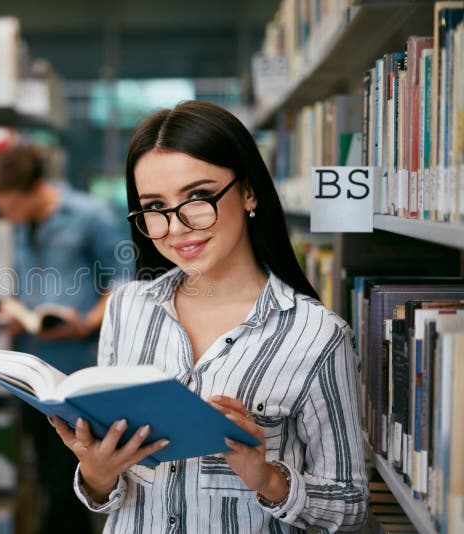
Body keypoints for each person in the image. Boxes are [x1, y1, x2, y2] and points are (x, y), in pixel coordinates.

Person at [49, 101, 369, 533]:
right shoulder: (127, 309)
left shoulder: (317, 336)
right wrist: (97, 474)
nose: (176, 227)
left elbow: (351, 506)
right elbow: (111, 494)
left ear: (249, 191)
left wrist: (268, 479)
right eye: (155, 206)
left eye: (198, 197)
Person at [0, 145, 133, 533]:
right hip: (29, 367)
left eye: (11, 204)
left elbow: (124, 280)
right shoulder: (22, 225)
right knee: (47, 475)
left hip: (75, 367)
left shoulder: (89, 216)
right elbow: (24, 286)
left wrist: (87, 322)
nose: (6, 214)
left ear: (36, 188)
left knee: (71, 473)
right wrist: (16, 314)